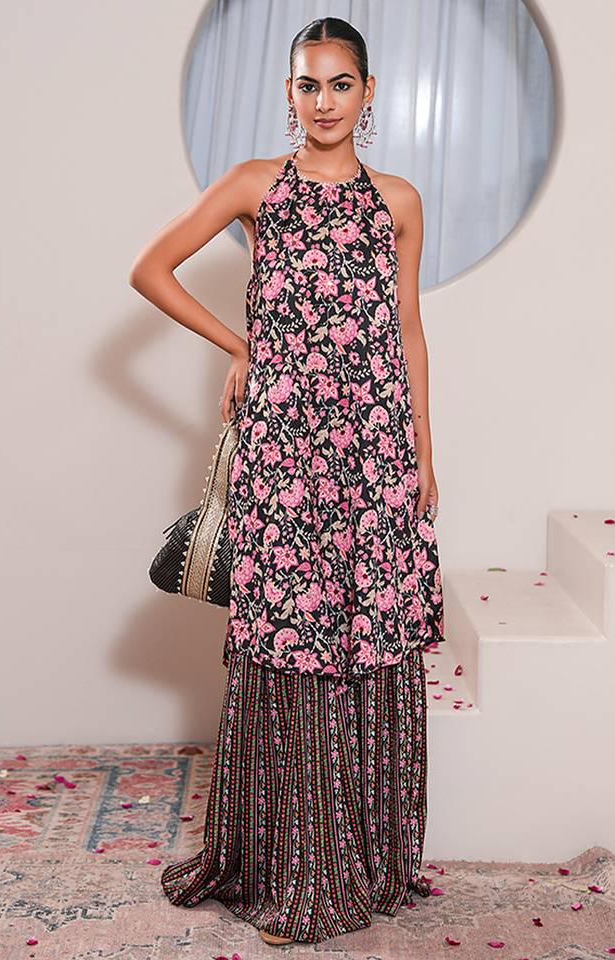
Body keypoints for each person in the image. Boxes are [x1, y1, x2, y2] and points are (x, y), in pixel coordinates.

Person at [129, 16, 446, 947]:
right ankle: (290, 867)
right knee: (291, 641)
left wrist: (424, 452)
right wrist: (242, 345)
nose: (324, 101)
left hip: (375, 450)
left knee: (367, 635)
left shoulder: (398, 201)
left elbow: (409, 329)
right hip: (284, 455)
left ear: (369, 92)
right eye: (309, 84)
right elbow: (150, 270)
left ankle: (367, 862)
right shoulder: (253, 186)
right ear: (289, 93)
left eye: (341, 84)